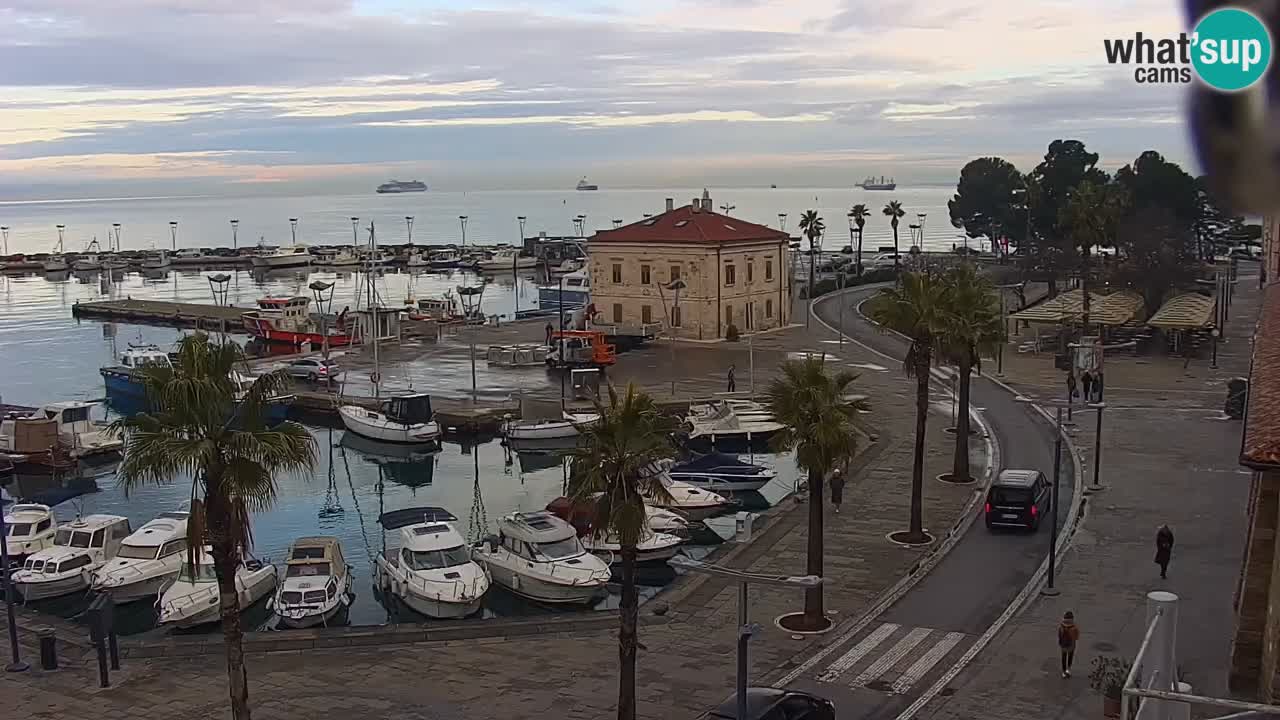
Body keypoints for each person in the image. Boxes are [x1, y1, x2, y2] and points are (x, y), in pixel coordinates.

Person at [1058, 611, 1080, 678]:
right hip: (1071, 645)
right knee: (1070, 657)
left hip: (1063, 645)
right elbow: (1077, 637)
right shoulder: (1074, 627)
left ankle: (1063, 672)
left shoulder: (1061, 626)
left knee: (1063, 658)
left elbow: (1059, 635)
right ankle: (1068, 670)